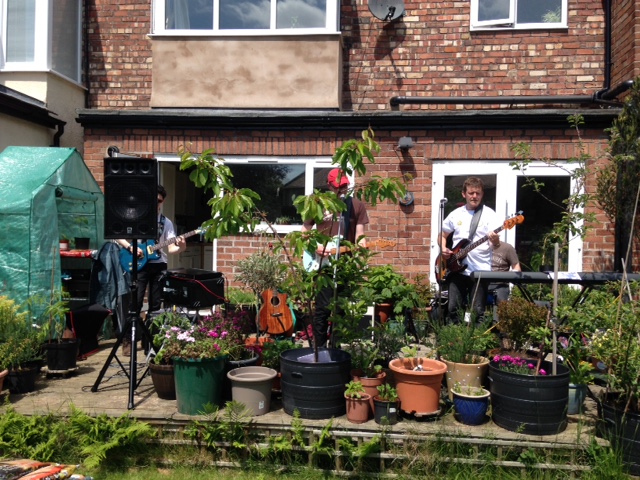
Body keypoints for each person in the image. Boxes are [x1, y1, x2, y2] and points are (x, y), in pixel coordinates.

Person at [301, 169, 369, 347]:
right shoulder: (317, 203)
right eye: (338, 186)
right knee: (322, 308)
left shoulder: (356, 206)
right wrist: (315, 247)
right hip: (322, 264)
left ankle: (336, 349)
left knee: (341, 309)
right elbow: (304, 233)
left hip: (345, 263)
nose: (341, 190)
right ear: (329, 185)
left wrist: (361, 246)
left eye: (344, 186)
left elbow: (360, 236)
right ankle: (319, 348)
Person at [116, 184, 186, 322]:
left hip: (158, 265)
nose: (156, 203)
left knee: (156, 304)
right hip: (139, 263)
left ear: (163, 201)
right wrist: (130, 248)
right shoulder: (136, 217)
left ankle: (152, 333)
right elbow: (118, 235)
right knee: (136, 301)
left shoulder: (166, 222)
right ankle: (131, 333)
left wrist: (182, 246)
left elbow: (171, 249)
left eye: (159, 201)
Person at [440, 177, 500, 324]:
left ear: (482, 194)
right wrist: (443, 248)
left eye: (477, 193)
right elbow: (442, 235)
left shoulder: (490, 214)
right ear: (464, 194)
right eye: (471, 193)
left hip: (480, 269)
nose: (474, 196)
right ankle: (454, 336)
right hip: (456, 268)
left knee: (477, 311)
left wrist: (494, 240)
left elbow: (496, 245)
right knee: (453, 309)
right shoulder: (456, 214)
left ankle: (476, 338)